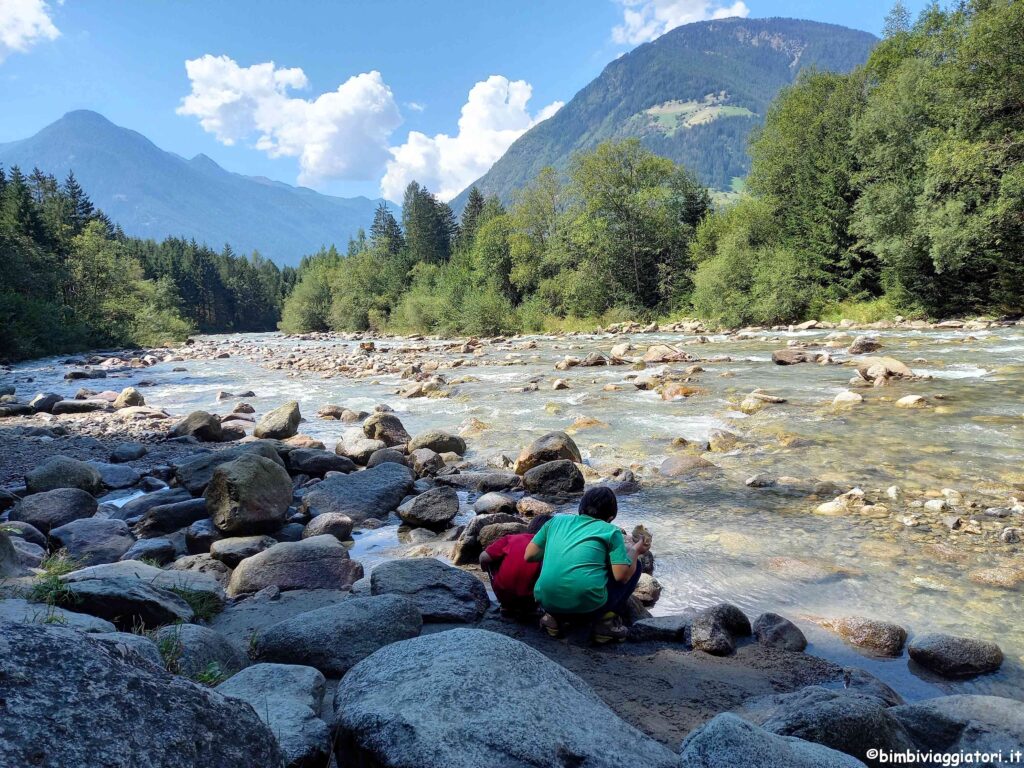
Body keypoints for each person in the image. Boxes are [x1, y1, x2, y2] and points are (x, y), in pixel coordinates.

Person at [525, 486, 650, 643]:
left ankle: (552, 618)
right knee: (635, 566)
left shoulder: (555, 521)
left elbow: (529, 556)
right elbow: (621, 576)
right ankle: (605, 623)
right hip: (587, 610)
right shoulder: (611, 531)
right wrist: (636, 550)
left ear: (580, 507)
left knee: (546, 555)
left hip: (547, 603)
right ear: (611, 517)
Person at [479, 514, 552, 617]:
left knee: (493, 559)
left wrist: (484, 567)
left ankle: (505, 606)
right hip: (532, 599)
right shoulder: (551, 546)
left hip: (505, 595)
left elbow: (483, 557)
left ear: (530, 527)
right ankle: (532, 609)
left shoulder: (511, 539)